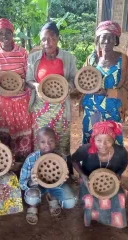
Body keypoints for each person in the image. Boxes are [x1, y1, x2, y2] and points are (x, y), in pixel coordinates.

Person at [26, 22, 77, 156]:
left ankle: (63, 168)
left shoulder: (68, 57)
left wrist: (68, 87)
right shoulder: (33, 58)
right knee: (42, 140)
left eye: (51, 38)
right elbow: (29, 80)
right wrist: (36, 86)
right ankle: (40, 168)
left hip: (61, 107)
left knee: (61, 140)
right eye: (43, 39)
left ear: (57, 38)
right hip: (41, 107)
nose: (47, 42)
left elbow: (73, 79)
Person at [82, 21, 128, 145]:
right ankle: (91, 165)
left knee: (111, 143)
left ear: (116, 40)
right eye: (104, 37)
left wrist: (108, 92)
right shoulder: (92, 59)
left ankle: (109, 165)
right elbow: (82, 79)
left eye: (111, 38)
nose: (107, 41)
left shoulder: (125, 62)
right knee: (91, 141)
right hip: (91, 109)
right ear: (98, 39)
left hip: (113, 111)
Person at [0, 18, 32, 163]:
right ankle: (7, 165)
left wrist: (21, 84)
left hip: (21, 101)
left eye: (8, 32)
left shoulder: (23, 52)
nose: (4, 36)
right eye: (0, 33)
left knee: (23, 132)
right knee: (4, 133)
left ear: (13, 34)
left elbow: (28, 75)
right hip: (2, 102)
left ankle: (24, 166)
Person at [71, 121, 128, 228]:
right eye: (99, 140)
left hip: (110, 180)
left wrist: (118, 174)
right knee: (90, 198)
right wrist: (83, 176)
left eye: (108, 140)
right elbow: (74, 160)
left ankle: (112, 219)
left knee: (118, 196)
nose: (103, 145)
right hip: (88, 178)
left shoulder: (120, 152)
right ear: (93, 139)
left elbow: (124, 164)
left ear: (113, 140)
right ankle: (92, 217)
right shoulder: (86, 150)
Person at [19, 127, 76, 225]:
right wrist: (31, 182)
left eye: (51, 141)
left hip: (54, 186)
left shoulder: (61, 157)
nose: (47, 145)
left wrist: (63, 179)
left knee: (70, 202)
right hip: (36, 188)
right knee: (32, 197)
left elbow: (62, 179)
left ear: (55, 140)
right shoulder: (31, 159)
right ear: (37, 142)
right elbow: (22, 183)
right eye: (42, 142)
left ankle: (51, 196)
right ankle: (33, 206)